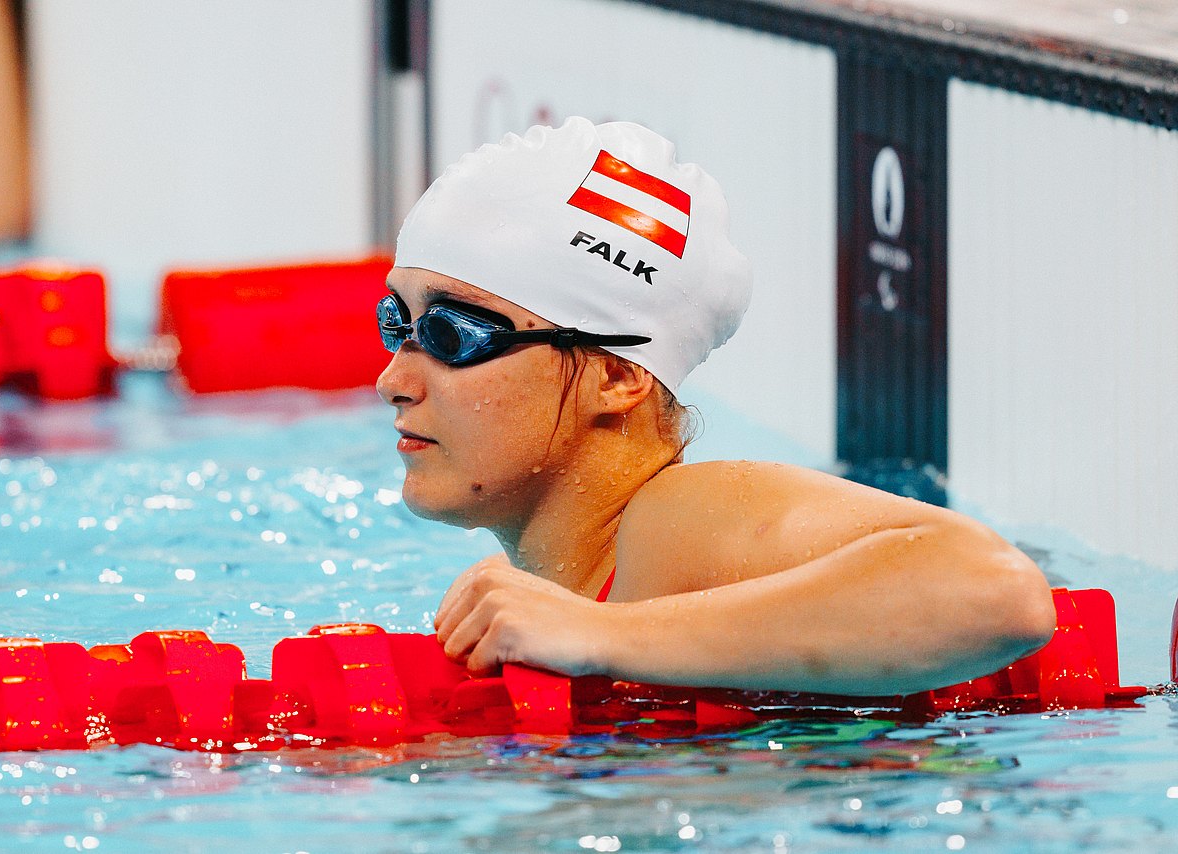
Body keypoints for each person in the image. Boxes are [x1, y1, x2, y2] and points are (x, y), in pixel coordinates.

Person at [376, 117, 1054, 697]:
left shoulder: (674, 523)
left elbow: (998, 592)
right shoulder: (573, 593)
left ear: (615, 377)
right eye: (396, 324)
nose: (392, 379)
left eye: (451, 333)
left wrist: (601, 633)